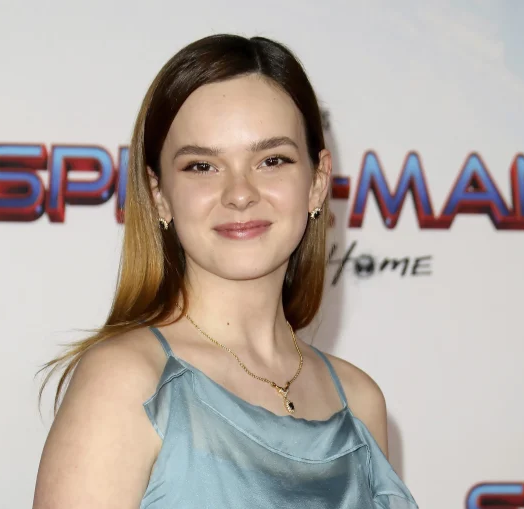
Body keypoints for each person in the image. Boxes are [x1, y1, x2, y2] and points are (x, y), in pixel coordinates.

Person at [32, 33, 418, 509]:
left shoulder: (359, 403)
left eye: (271, 160)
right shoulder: (128, 382)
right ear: (158, 194)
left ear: (317, 183)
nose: (239, 194)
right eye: (202, 166)